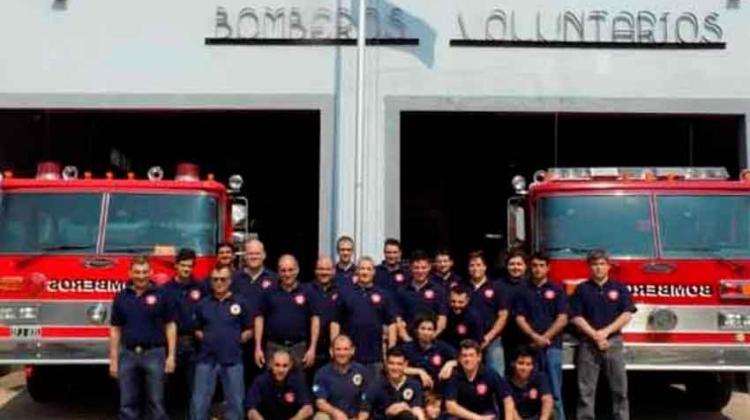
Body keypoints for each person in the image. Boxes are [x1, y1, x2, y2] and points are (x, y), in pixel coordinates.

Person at [570, 249, 636, 420]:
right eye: (594, 265)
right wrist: (595, 335)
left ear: (608, 266)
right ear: (589, 267)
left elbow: (627, 314)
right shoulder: (581, 289)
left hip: (613, 342)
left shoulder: (619, 288)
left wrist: (605, 333)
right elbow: (575, 316)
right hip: (588, 343)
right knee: (586, 390)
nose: (598, 268)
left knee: (620, 389)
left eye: (601, 264)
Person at [109, 256, 176, 420]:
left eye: (145, 272)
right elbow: (115, 329)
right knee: (127, 404)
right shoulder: (121, 297)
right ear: (130, 273)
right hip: (128, 354)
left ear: (151, 273)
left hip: (155, 354)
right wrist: (113, 359)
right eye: (137, 272)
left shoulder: (162, 295)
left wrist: (171, 356)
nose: (141, 276)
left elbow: (170, 325)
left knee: (156, 403)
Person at [190, 265, 253, 420]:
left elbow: (249, 328)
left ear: (230, 281)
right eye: (215, 279)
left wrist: (238, 339)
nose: (219, 283)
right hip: (206, 359)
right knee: (199, 403)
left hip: (232, 359)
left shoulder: (241, 302)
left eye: (223, 279)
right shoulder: (203, 304)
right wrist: (205, 338)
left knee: (235, 403)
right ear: (211, 282)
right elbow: (196, 328)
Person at [515, 252, 568, 420]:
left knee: (555, 391)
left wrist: (545, 337)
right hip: (529, 348)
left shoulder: (557, 289)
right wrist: (534, 337)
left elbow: (563, 318)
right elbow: (519, 317)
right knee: (530, 391)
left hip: (552, 347)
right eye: (535, 266)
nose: (537, 269)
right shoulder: (523, 290)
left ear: (548, 268)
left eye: (541, 266)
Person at [331, 257, 398, 380]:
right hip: (349, 357)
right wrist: (334, 348)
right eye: (362, 268)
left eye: (368, 269)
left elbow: (392, 324)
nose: (365, 272)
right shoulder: (345, 293)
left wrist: (391, 352)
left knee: (374, 394)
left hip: (375, 358)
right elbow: (335, 322)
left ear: (374, 272)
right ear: (357, 271)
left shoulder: (383, 295)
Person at [254, 255, 320, 370]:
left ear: (297, 270)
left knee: (297, 385)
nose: (287, 274)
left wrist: (312, 348)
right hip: (274, 347)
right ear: (278, 272)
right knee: (272, 385)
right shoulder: (269, 291)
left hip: (298, 348)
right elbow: (259, 318)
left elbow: (315, 319)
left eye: (290, 270)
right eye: (283, 270)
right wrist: (258, 347)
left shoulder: (308, 291)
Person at [160, 248, 203, 411]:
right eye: (183, 265)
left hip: (195, 345)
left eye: (190, 266)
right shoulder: (165, 290)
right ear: (176, 266)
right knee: (168, 389)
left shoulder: (200, 288)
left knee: (194, 390)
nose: (186, 269)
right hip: (171, 345)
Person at [444, 339, 514, 420]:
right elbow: (450, 406)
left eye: (471, 355)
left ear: (479, 357)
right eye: (464, 356)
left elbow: (507, 399)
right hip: (463, 416)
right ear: (459, 358)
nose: (468, 359)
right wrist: (478, 418)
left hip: (486, 415)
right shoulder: (454, 375)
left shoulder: (489, 374)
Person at [466, 251, 508, 377]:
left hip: (492, 340)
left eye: (479, 265)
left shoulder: (497, 287)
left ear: (485, 267)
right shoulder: (462, 287)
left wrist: (489, 337)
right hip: (469, 340)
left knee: (496, 375)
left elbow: (503, 315)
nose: (475, 268)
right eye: (472, 265)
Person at [312, 334, 371, 420]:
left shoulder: (362, 371)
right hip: (333, 417)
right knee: (320, 417)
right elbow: (320, 402)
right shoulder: (322, 373)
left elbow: (367, 401)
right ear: (331, 351)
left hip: (356, 417)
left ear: (352, 351)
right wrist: (335, 412)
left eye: (346, 349)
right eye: (338, 349)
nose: (342, 353)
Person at [360, 348, 426, 420]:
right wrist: (387, 412)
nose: (395, 368)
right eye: (391, 363)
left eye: (399, 364)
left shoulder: (414, 385)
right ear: (386, 364)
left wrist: (405, 408)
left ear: (405, 364)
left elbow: (417, 409)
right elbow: (363, 415)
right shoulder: (375, 386)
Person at [395, 250, 448, 341]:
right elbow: (398, 319)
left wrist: (430, 338)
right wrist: (407, 339)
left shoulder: (439, 290)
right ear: (410, 268)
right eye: (416, 267)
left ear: (429, 267)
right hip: (408, 342)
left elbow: (442, 320)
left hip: (432, 342)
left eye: (423, 267)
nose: (420, 271)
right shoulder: (402, 291)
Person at [246, 350, 314, 420]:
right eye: (277, 365)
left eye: (285, 366)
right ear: (271, 364)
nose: (281, 370)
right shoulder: (261, 381)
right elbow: (251, 411)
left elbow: (308, 409)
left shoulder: (298, 381)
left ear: (290, 365)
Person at [400, 316, 457, 392]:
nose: (426, 332)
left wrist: (450, 364)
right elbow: (398, 368)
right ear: (416, 331)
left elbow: (460, 358)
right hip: (414, 388)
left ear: (434, 332)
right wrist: (419, 372)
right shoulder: (407, 348)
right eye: (423, 328)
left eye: (429, 329)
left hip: (438, 389)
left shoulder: (442, 346)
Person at [307, 255, 340, 370]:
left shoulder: (341, 291)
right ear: (315, 271)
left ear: (334, 271)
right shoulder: (306, 290)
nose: (324, 272)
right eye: (321, 269)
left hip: (336, 351)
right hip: (310, 350)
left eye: (327, 269)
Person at [499, 249, 529, 373]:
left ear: (525, 266)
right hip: (504, 336)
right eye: (512, 264)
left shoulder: (532, 286)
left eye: (519, 264)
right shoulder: (497, 286)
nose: (515, 267)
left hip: (527, 337)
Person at [507, 346, 553, 420]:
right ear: (513, 363)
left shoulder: (539, 377)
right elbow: (510, 406)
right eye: (521, 363)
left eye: (528, 364)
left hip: (537, 417)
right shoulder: (506, 381)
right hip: (516, 417)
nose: (524, 368)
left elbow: (547, 399)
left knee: (551, 411)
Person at [442, 286, 484, 351]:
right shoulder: (444, 314)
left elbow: (477, 342)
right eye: (453, 301)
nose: (456, 305)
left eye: (460, 302)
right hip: (448, 351)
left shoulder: (474, 317)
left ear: (467, 301)